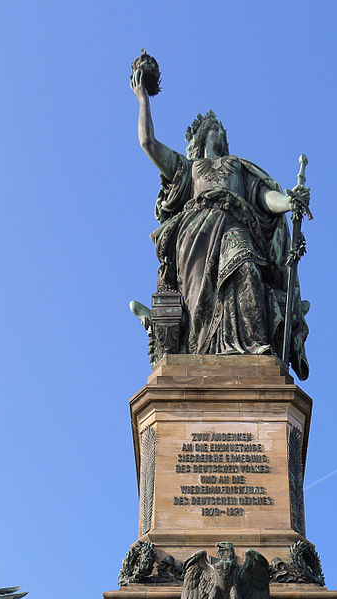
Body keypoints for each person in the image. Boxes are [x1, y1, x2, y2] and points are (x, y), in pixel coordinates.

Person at [131, 70, 310, 379]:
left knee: (247, 269)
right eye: (216, 128)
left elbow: (265, 197)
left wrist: (289, 202)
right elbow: (148, 143)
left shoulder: (238, 166)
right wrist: (143, 99)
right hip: (195, 234)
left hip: (235, 226)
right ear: (203, 136)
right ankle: (199, 352)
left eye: (223, 131)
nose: (222, 134)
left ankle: (252, 348)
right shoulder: (189, 169)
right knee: (198, 300)